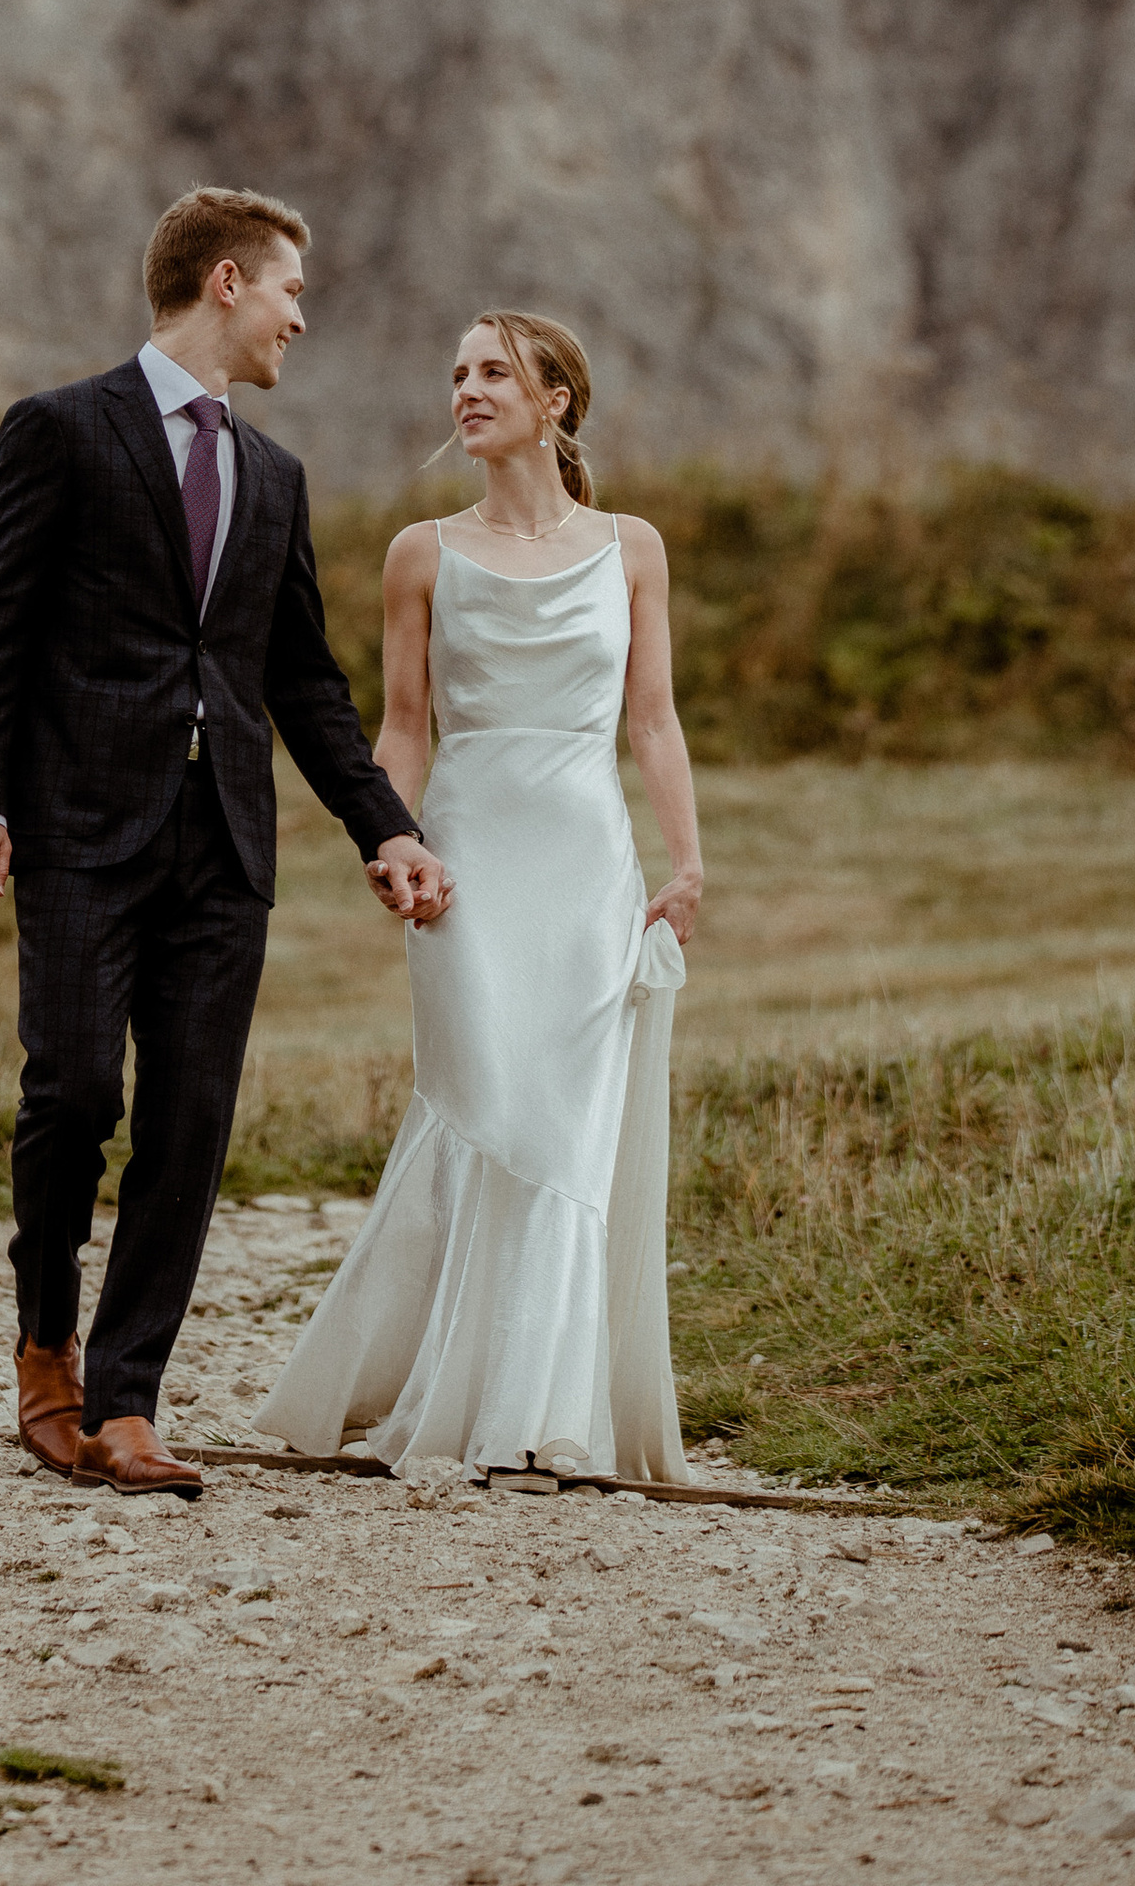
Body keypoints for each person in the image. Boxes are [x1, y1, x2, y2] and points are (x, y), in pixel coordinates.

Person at [0, 188, 453, 1497]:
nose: (300, 317)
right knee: (72, 1093)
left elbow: (305, 686)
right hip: (80, 830)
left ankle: (128, 1401)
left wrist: (383, 827)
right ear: (227, 283)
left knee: (191, 1117)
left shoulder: (274, 478)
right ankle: (45, 1353)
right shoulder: (58, 430)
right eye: (289, 291)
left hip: (225, 845)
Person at [257, 309, 704, 1480]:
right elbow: (400, 728)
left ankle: (547, 1410)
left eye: (493, 372)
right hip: (465, 856)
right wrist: (386, 841)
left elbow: (650, 720)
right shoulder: (420, 551)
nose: (466, 389)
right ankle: (447, 1387)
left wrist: (686, 862)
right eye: (456, 372)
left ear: (556, 400)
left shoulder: (633, 547)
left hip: (583, 858)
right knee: (478, 1096)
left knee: (565, 1121)